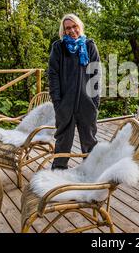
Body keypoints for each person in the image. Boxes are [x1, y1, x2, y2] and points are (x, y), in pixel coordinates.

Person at [48, 13, 101, 169]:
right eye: (68, 28)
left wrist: (95, 101)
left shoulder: (89, 46)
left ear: (80, 26)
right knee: (63, 140)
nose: (72, 30)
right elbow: (53, 75)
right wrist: (57, 102)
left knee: (90, 140)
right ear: (63, 31)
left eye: (74, 26)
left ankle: (91, 171)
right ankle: (58, 171)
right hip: (65, 103)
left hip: (87, 103)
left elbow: (96, 75)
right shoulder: (58, 47)